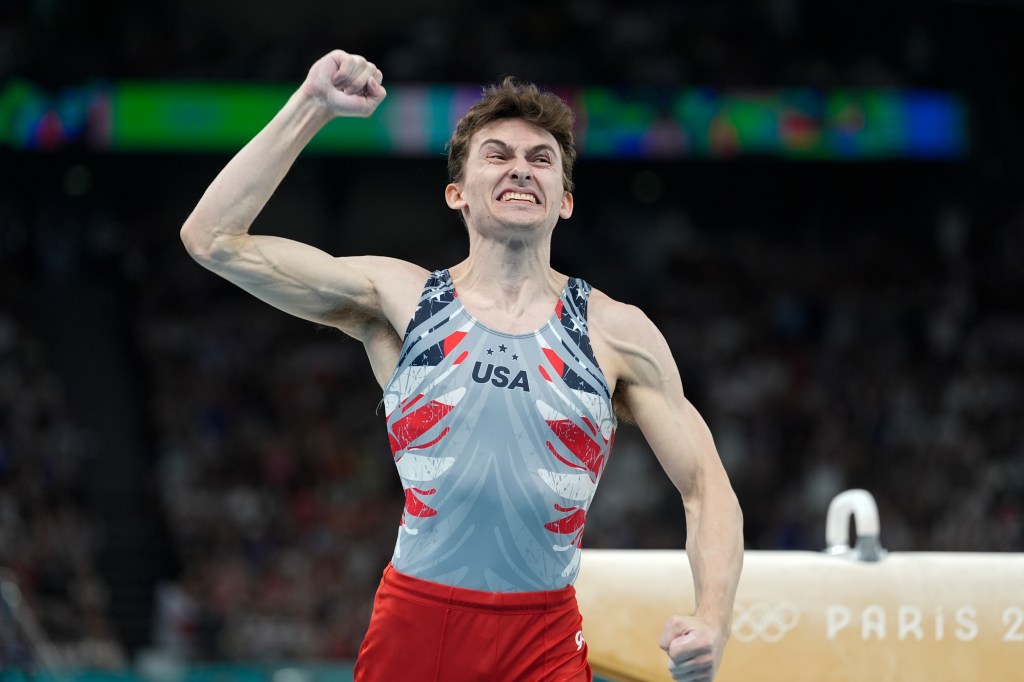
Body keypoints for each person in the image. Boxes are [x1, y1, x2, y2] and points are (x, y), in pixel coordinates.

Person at [180, 49, 743, 682]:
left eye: (541, 159)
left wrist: (714, 620)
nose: (521, 169)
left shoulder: (617, 332)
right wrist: (310, 105)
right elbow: (212, 240)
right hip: (418, 626)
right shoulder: (398, 300)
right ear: (458, 193)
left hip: (543, 639)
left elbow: (707, 489)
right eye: (497, 155)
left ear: (565, 201)